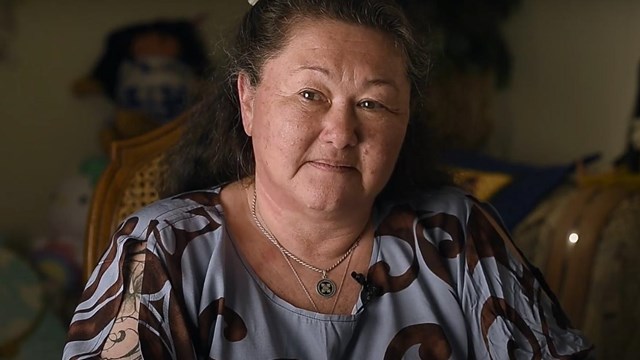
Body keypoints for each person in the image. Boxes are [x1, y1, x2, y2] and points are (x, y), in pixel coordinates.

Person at [63, 0, 593, 358]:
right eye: (310, 95)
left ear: (405, 121)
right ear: (248, 101)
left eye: (373, 103)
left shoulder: (457, 233)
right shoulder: (163, 250)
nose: (341, 132)